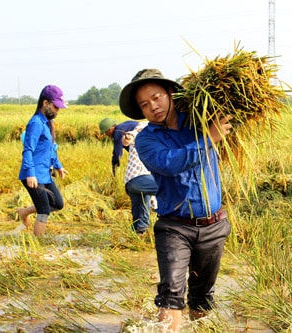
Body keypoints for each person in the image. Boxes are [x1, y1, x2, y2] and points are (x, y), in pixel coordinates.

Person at [119, 68, 233, 331]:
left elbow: (230, 122)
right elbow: (169, 163)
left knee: (202, 299)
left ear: (170, 93)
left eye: (156, 97)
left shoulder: (199, 119)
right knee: (171, 294)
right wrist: (209, 139)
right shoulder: (146, 139)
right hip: (174, 226)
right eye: (144, 104)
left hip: (213, 225)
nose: (153, 107)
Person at [17, 85, 69, 237]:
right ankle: (38, 246)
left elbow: (51, 149)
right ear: (45, 103)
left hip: (45, 173)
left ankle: (24, 212)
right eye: (55, 107)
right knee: (44, 210)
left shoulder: (48, 124)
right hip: (33, 175)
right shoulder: (35, 123)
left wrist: (59, 166)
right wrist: (30, 174)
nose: (57, 111)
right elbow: (28, 150)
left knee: (57, 204)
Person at [120, 121, 158, 235]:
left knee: (140, 212)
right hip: (140, 177)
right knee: (169, 186)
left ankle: (137, 235)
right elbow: (133, 134)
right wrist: (128, 137)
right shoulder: (146, 128)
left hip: (130, 181)